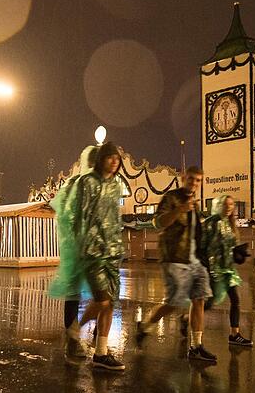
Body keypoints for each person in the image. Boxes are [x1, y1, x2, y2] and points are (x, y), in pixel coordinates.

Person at [53, 142, 126, 371]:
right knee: (87, 296)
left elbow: (113, 216)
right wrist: (76, 243)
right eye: (107, 158)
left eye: (116, 158)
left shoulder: (114, 185)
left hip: (110, 251)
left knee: (107, 300)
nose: (113, 162)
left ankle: (100, 349)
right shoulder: (82, 183)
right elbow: (73, 215)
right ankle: (73, 335)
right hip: (86, 249)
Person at [135, 166, 216, 363]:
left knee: (199, 299)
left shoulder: (195, 205)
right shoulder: (172, 198)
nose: (194, 183)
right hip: (174, 258)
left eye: (198, 180)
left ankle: (196, 346)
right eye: (191, 179)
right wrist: (179, 209)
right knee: (175, 302)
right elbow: (158, 223)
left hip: (194, 261)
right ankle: (145, 326)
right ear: (183, 178)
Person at [49, 144, 99, 359]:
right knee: (75, 293)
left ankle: (93, 333)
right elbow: (67, 214)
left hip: (96, 246)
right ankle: (73, 336)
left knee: (100, 292)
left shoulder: (102, 184)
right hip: (79, 246)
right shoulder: (78, 184)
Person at [202, 195, 253, 347]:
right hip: (214, 269)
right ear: (219, 205)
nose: (230, 207)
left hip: (228, 269)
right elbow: (203, 244)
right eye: (226, 204)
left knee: (235, 300)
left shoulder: (230, 223)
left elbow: (229, 245)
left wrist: (238, 253)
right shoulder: (212, 222)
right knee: (210, 302)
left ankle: (234, 334)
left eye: (232, 205)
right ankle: (187, 318)